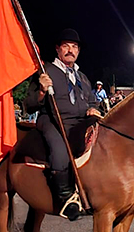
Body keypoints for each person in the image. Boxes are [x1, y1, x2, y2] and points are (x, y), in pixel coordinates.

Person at [25, 29, 99, 220]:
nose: (70, 50)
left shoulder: (82, 77)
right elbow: (30, 105)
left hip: (80, 121)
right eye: (66, 46)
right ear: (58, 49)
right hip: (52, 119)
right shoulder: (45, 71)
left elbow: (91, 100)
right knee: (59, 150)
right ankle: (65, 200)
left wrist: (93, 109)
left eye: (74, 47)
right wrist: (41, 90)